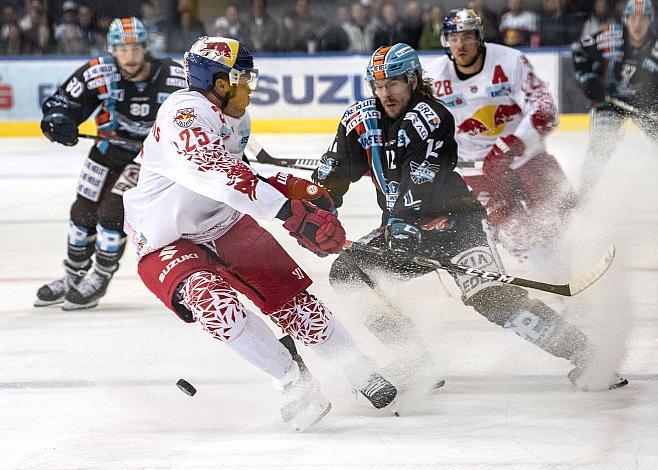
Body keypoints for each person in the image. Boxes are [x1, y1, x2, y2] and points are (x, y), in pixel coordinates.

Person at [314, 42, 627, 391]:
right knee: (347, 272)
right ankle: (413, 357)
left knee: (494, 301)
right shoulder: (361, 120)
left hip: (457, 226)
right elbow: (339, 169)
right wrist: (320, 201)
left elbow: (420, 176)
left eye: (394, 83)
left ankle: (588, 356)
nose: (385, 93)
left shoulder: (431, 117)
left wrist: (400, 221)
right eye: (379, 85)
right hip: (401, 231)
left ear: (414, 79)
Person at [122, 36, 397, 431]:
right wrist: (289, 212)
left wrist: (294, 186)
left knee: (297, 307)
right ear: (220, 82)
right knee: (215, 307)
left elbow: (243, 169)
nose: (250, 85)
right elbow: (216, 171)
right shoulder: (184, 113)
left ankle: (358, 369)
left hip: (225, 222)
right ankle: (293, 382)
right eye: (243, 77)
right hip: (166, 239)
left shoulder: (236, 118)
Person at [35, 17, 186, 310]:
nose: (129, 56)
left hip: (148, 159)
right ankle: (73, 276)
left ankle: (101, 275)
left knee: (112, 213)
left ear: (146, 47)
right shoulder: (99, 72)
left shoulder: (175, 76)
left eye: (135, 48)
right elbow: (62, 102)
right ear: (112, 49)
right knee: (82, 211)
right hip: (105, 151)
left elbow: (202, 111)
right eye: (122, 48)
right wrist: (59, 121)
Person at [424, 9, 577, 265]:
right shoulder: (433, 77)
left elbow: (544, 109)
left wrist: (514, 144)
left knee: (565, 219)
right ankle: (550, 277)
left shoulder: (510, 61)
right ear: (445, 41)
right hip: (476, 169)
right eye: (453, 38)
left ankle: (571, 263)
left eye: (467, 37)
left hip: (527, 158)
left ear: (479, 37)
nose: (460, 45)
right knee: (514, 231)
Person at [572, 0, 658, 197]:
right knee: (600, 148)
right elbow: (578, 50)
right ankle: (583, 195)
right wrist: (587, 80)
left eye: (643, 18)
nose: (638, 24)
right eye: (633, 18)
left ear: (650, 20)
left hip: (644, 105)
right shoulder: (610, 37)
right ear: (625, 19)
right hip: (609, 103)